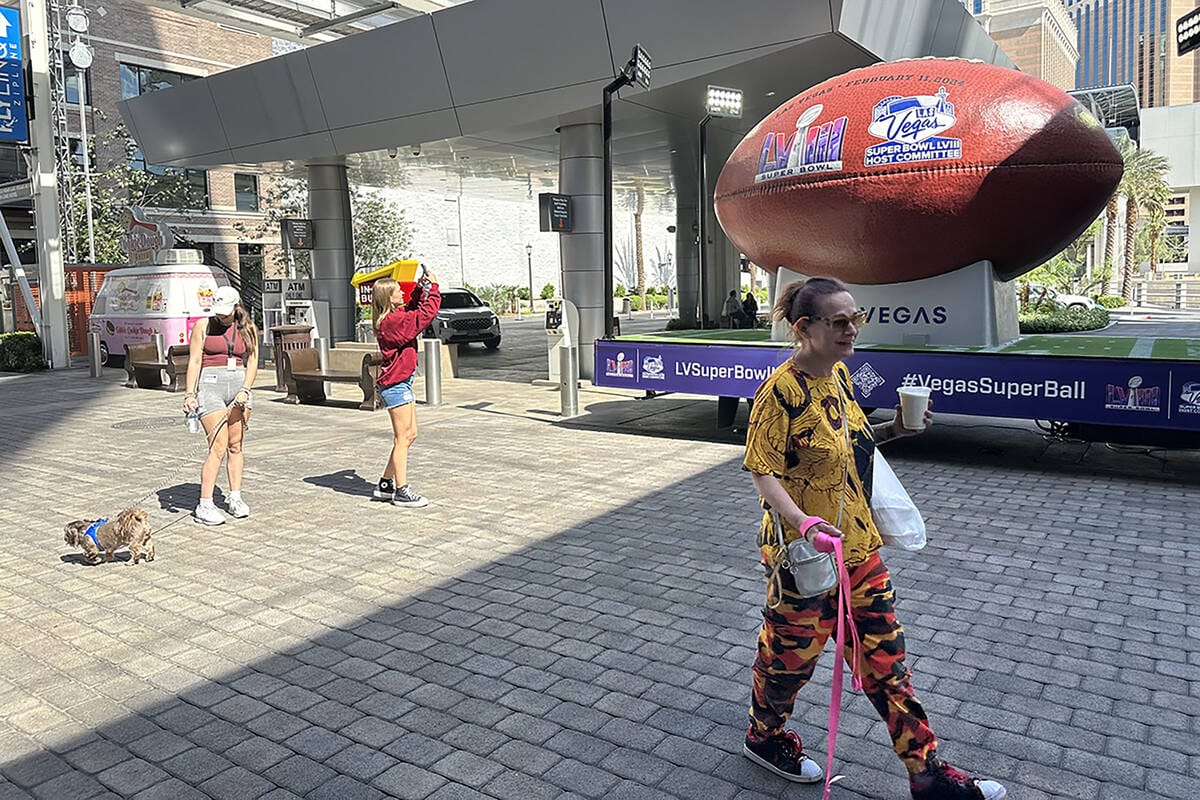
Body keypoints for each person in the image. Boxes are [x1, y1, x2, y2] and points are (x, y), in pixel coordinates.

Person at [740, 276, 1006, 800]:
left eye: (855, 319)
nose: (851, 330)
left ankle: (925, 773)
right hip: (804, 558)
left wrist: (897, 432)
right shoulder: (781, 392)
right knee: (788, 660)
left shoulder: (839, 377)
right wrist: (805, 522)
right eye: (839, 322)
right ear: (804, 328)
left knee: (887, 661)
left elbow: (853, 446)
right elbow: (761, 468)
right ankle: (764, 737)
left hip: (858, 550)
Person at [182, 286, 258, 526]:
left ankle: (235, 497)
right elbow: (194, 360)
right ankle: (205, 503)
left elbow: (253, 360)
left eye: (226, 312)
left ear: (236, 307)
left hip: (238, 387)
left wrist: (246, 389)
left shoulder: (248, 328)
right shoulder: (203, 326)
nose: (221, 316)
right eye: (218, 311)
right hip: (210, 386)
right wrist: (189, 394)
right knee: (218, 446)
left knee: (236, 445)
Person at [370, 268, 441, 508]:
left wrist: (422, 288)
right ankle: (401, 491)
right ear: (388, 298)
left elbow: (412, 309)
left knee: (410, 435)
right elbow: (423, 316)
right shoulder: (391, 322)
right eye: (398, 290)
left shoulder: (395, 317)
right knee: (403, 438)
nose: (402, 292)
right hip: (395, 385)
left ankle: (385, 483)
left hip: (403, 382)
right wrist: (435, 289)